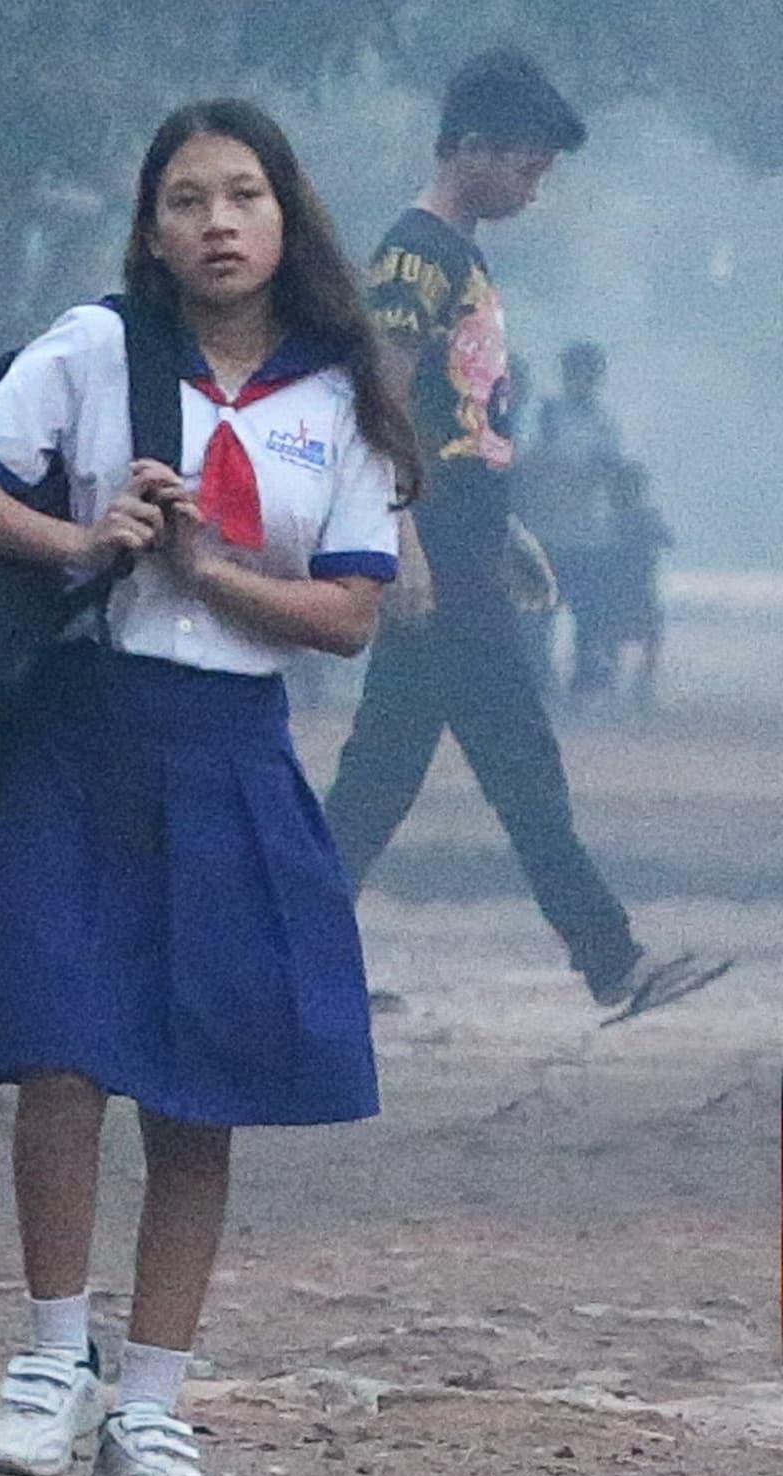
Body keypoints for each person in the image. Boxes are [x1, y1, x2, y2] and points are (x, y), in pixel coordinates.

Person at [0, 99, 417, 1476]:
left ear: (283, 215)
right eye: (187, 200)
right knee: (57, 1046)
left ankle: (152, 1406)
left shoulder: (343, 395)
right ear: (151, 227)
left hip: (233, 753)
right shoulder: (92, 351)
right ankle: (47, 1354)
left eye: (242, 196)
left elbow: (350, 613)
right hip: (82, 736)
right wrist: (86, 538)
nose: (217, 223)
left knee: (201, 1091)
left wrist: (211, 576)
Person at [324, 49, 730, 1019]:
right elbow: (378, 400)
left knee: (379, 779)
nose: (530, 190)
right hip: (435, 558)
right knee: (516, 768)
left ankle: (277, 960)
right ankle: (612, 960)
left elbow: (452, 414)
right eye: (524, 168)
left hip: (463, 544)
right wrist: (405, 539)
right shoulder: (416, 255)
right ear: (469, 148)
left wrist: (492, 525)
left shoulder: (456, 254)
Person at [528, 341, 624, 694]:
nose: (583, 380)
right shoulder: (545, 416)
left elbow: (614, 477)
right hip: (546, 532)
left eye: (590, 374)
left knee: (588, 615)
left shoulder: (604, 424)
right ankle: (541, 682)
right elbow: (526, 465)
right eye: (577, 373)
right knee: (540, 614)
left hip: (588, 534)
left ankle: (583, 684)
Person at [603, 460, 673, 708]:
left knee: (617, 632)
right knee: (648, 632)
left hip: (624, 582)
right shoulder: (643, 516)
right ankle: (639, 683)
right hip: (636, 581)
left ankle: (618, 682)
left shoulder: (612, 518)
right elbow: (668, 540)